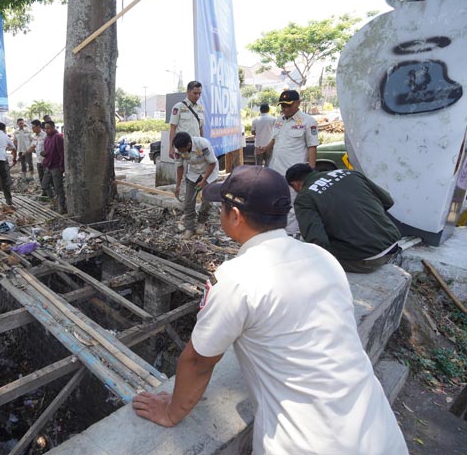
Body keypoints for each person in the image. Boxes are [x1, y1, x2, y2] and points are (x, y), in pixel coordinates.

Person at [133, 165, 407, 455]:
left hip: (306, 445)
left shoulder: (236, 278)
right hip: (379, 433)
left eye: (222, 208)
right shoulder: (323, 258)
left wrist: (172, 411)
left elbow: (199, 362)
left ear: (235, 216)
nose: (219, 214)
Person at [285, 163, 402, 273]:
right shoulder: (350, 173)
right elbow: (388, 201)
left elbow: (318, 242)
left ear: (295, 184)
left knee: (302, 259)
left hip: (368, 258)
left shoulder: (304, 198)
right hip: (392, 242)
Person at [264, 90, 318, 235]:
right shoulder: (279, 120)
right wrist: (265, 149)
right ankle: (278, 232)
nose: (285, 109)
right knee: (276, 203)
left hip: (293, 173)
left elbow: (312, 146)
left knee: (292, 206)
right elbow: (275, 140)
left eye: (288, 105)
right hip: (275, 170)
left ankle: (291, 235)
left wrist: (311, 172)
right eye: (282, 105)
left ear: (298, 103)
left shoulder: (308, 121)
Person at [172, 131, 217, 238]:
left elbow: (212, 163)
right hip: (193, 173)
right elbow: (179, 167)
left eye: (182, 150)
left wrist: (204, 181)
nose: (180, 152)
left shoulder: (203, 144)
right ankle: (189, 228)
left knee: (207, 202)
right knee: (188, 202)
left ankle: (201, 222)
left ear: (188, 145)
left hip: (209, 172)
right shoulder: (178, 149)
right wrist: (178, 185)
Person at [169, 81, 205, 159]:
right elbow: (172, 129)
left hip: (196, 146)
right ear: (188, 92)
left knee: (197, 168)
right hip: (181, 147)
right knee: (180, 168)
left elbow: (201, 129)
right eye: (195, 93)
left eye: (199, 93)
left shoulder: (200, 109)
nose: (197, 96)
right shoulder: (178, 107)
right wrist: (171, 148)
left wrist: (203, 144)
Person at [41, 120, 66, 214]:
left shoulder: (58, 137)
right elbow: (47, 151)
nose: (46, 130)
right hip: (48, 165)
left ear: (53, 127)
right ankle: (54, 201)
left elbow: (62, 153)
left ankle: (61, 207)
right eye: (45, 128)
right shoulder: (47, 138)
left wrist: (61, 166)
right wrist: (44, 154)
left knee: (58, 187)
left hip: (56, 166)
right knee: (44, 184)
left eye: (48, 128)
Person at [28, 119, 51, 197]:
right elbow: (32, 147)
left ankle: (51, 194)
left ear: (38, 126)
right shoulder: (34, 137)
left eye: (33, 127)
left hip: (45, 161)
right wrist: (24, 154)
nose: (32, 129)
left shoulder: (45, 135)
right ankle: (44, 192)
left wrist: (45, 159)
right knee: (41, 177)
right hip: (38, 161)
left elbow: (48, 149)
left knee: (47, 178)